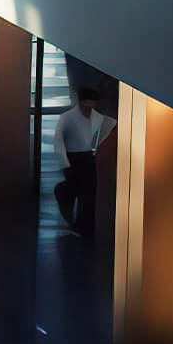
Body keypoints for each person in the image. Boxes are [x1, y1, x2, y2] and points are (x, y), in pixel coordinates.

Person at [53, 88, 116, 238]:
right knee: (82, 190)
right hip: (74, 158)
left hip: (88, 158)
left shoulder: (99, 118)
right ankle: (81, 223)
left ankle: (84, 226)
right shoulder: (68, 118)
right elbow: (59, 142)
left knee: (87, 194)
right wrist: (64, 163)